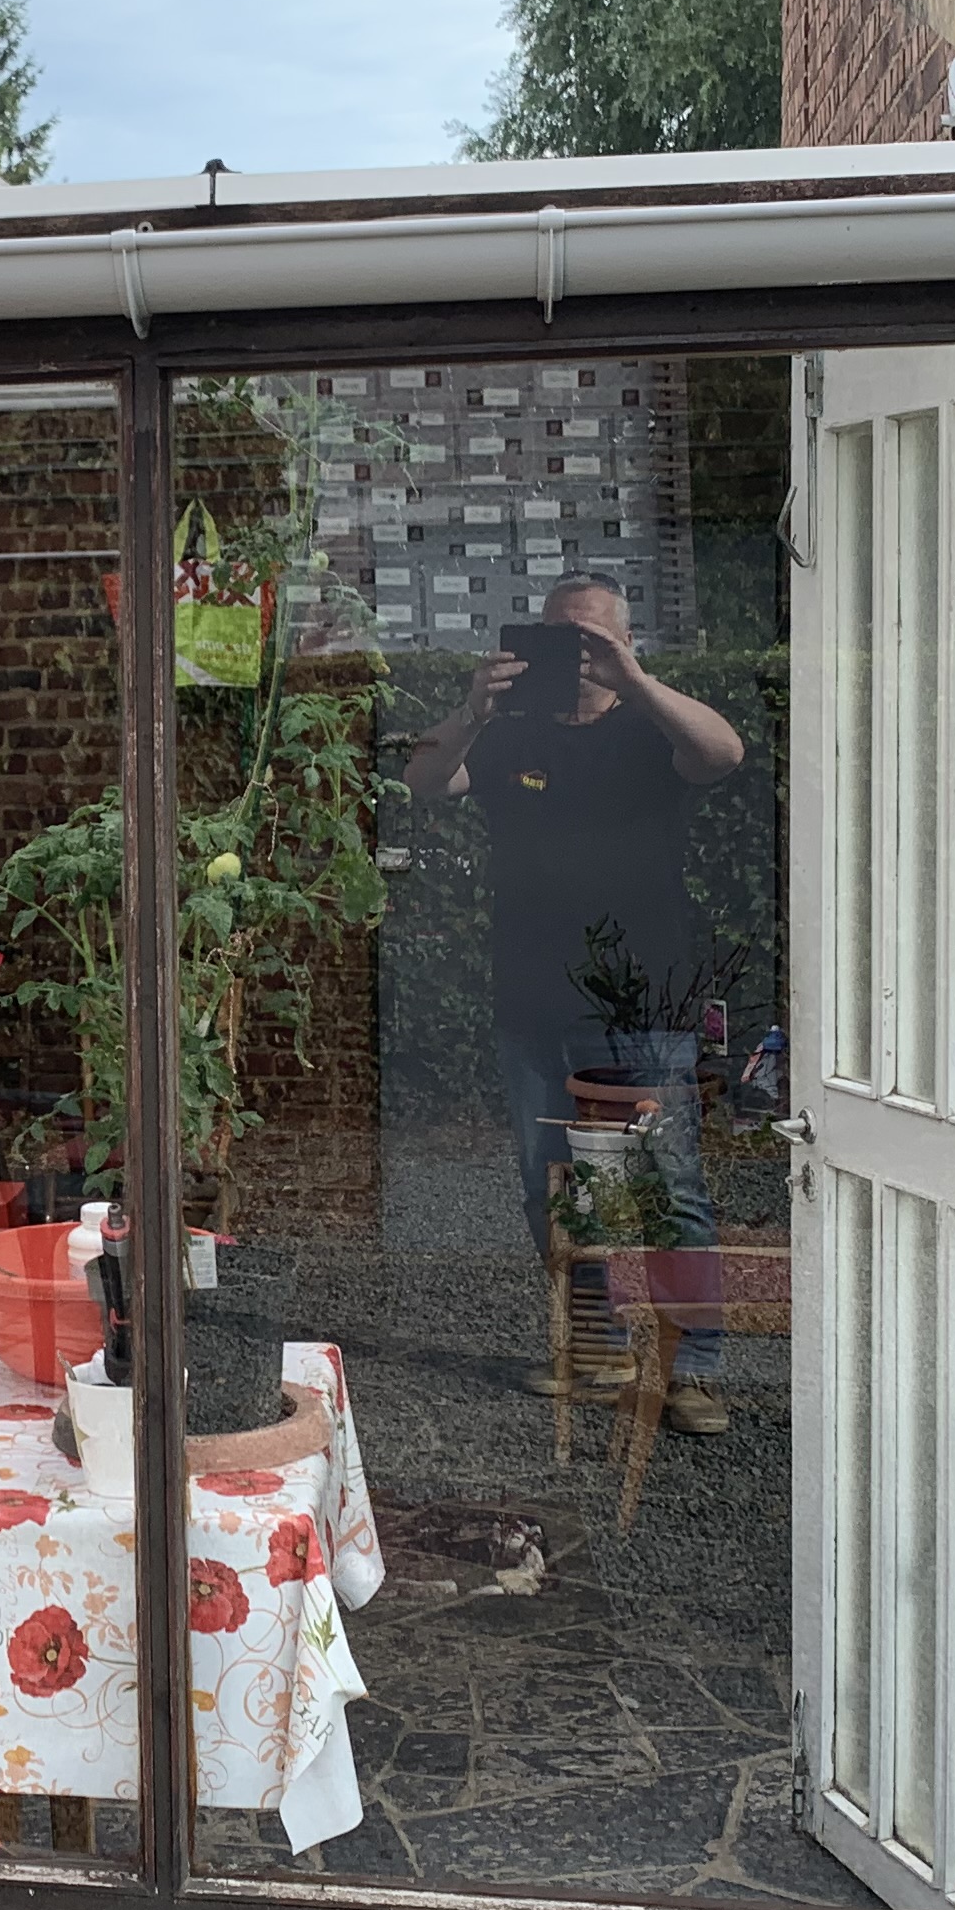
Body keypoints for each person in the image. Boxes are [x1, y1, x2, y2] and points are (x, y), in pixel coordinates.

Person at [398, 576, 743, 1434]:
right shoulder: (508, 731)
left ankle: (692, 1370)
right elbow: (424, 779)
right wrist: (474, 706)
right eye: (559, 635)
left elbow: (724, 755)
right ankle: (595, 1348)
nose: (577, 652)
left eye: (594, 637)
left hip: (642, 1000)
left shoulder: (650, 727)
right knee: (552, 1188)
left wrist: (638, 683)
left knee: (667, 1185)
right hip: (532, 996)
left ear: (626, 642)